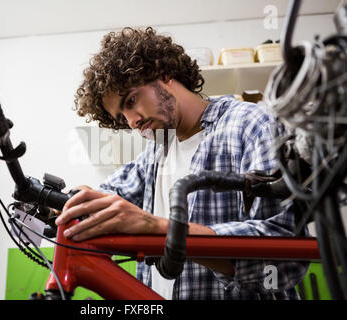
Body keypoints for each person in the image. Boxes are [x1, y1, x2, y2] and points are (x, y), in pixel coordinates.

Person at [55, 27, 309, 299]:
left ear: (163, 74)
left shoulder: (251, 124)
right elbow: (107, 197)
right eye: (121, 117)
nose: (132, 121)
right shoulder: (157, 152)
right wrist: (56, 204)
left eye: (131, 100)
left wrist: (161, 228)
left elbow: (284, 261)